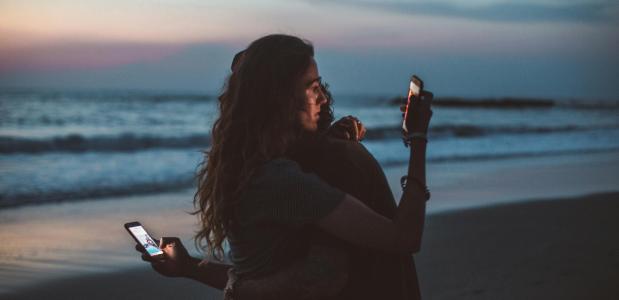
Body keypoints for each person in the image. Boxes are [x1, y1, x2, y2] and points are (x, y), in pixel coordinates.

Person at [137, 34, 432, 299]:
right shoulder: (283, 179)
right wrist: (418, 140)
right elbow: (402, 237)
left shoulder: (247, 168)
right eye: (313, 87)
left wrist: (191, 268)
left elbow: (259, 278)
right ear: (280, 99)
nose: (324, 98)